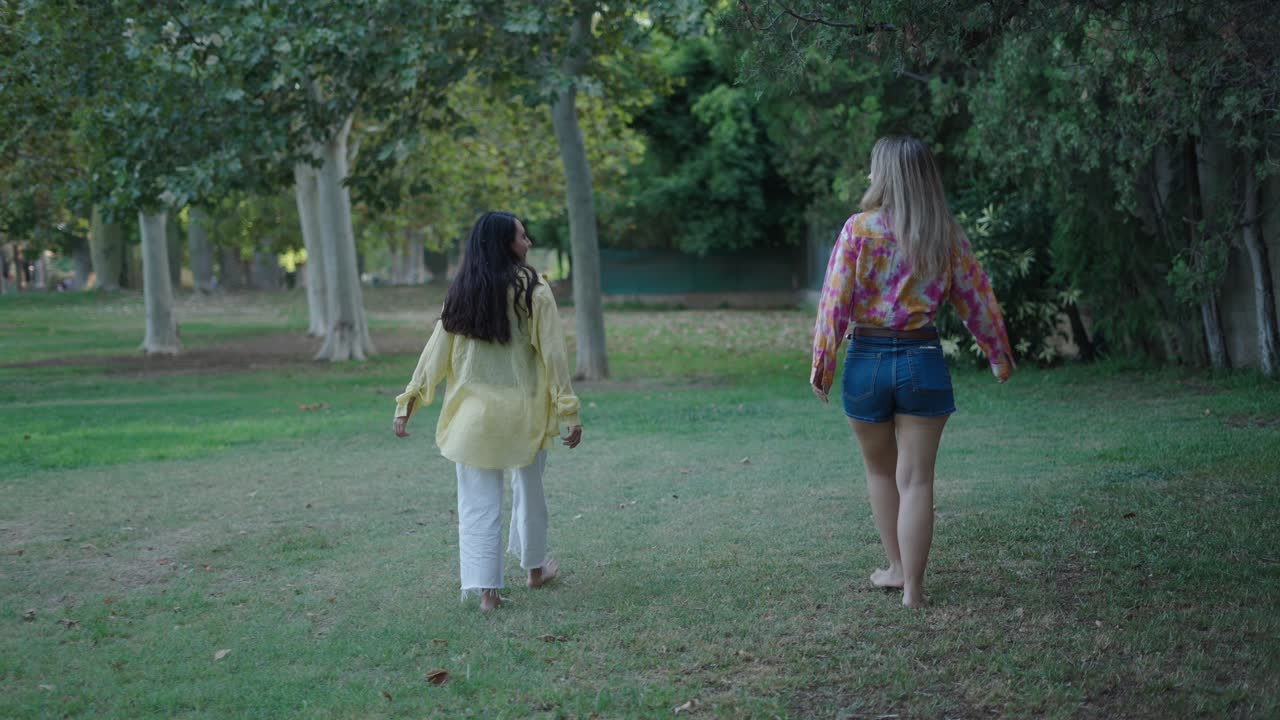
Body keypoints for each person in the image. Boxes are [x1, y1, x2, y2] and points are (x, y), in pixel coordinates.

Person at [810, 136, 1014, 609]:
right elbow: (977, 298)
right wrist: (998, 355)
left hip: (866, 361)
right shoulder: (944, 233)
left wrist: (823, 364)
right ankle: (914, 592)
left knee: (880, 472)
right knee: (917, 479)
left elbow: (834, 301)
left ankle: (897, 571)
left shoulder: (858, 230)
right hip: (922, 360)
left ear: (884, 175)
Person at [393, 211, 583, 612]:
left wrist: (409, 401)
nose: (528, 242)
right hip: (524, 414)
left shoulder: (463, 290)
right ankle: (534, 571)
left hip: (473, 420)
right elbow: (553, 356)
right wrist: (569, 411)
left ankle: (488, 595)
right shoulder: (534, 289)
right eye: (521, 236)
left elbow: (435, 355)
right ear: (504, 244)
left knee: (478, 503)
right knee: (530, 493)